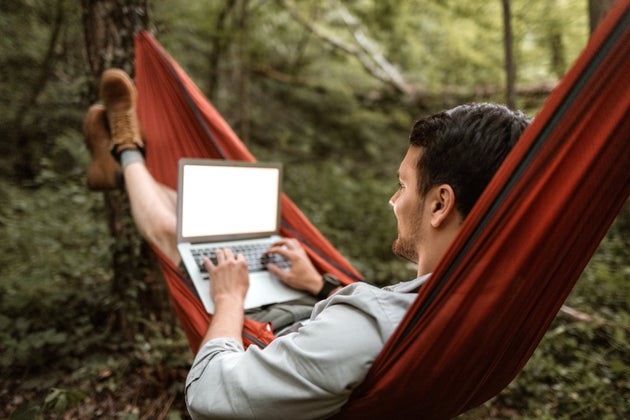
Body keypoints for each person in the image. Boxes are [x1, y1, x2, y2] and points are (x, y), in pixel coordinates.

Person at [83, 68, 530, 419]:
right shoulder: (501, 304)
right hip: (305, 307)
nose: (393, 201)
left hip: (260, 328)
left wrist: (228, 301)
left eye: (403, 185)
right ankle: (120, 163)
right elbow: (387, 330)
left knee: (174, 236)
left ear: (440, 205)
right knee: (199, 219)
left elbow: (208, 395)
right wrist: (320, 286)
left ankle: (126, 148)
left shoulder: (364, 329)